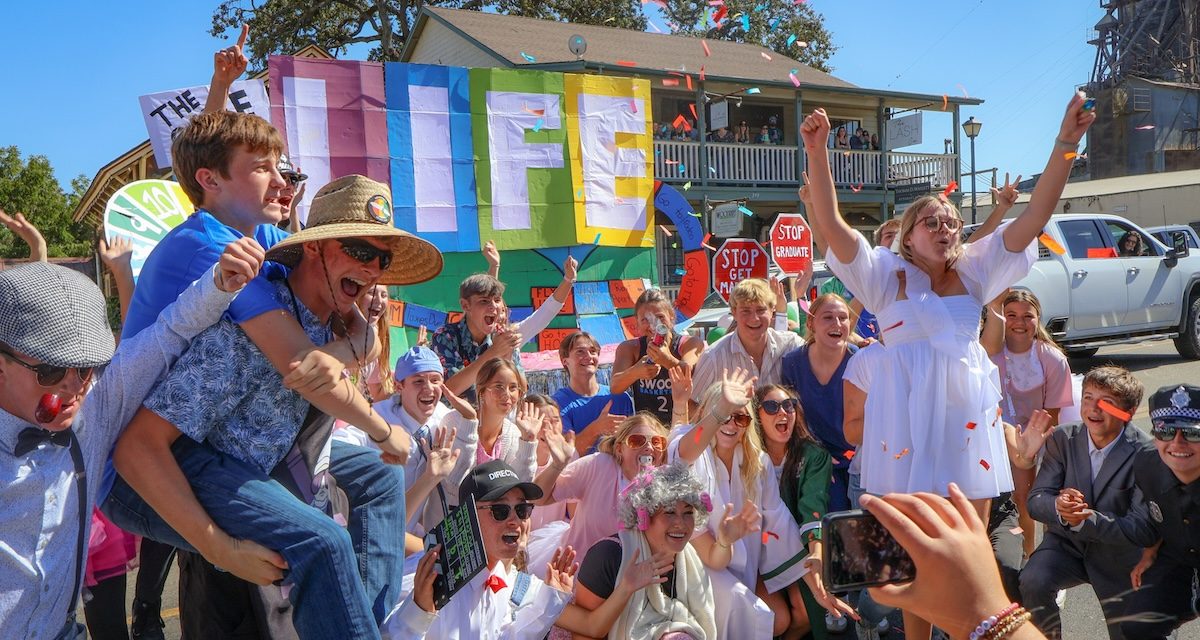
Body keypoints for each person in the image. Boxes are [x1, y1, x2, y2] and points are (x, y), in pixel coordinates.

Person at [799, 92, 1095, 639]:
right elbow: (836, 228)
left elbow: (1035, 216)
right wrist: (818, 154)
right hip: (905, 424)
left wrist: (1065, 144)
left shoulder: (979, 270)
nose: (944, 228)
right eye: (931, 221)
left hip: (965, 423)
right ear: (908, 234)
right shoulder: (885, 275)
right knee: (913, 551)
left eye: (952, 221)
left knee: (970, 546)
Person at [104, 176, 429, 639]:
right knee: (323, 541)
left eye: (384, 257)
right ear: (316, 248)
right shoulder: (246, 333)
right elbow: (137, 449)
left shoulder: (326, 318)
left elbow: (345, 354)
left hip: (264, 470)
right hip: (166, 475)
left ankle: (365, 626)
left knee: (382, 476)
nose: (375, 269)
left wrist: (354, 347)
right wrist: (220, 548)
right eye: (361, 250)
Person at [0, 243, 258, 639]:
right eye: (50, 371)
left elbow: (168, 332)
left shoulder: (96, 408)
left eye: (86, 367)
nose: (73, 386)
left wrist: (221, 283)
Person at [386, 460, 661, 639]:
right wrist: (419, 611)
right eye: (500, 509)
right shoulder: (430, 572)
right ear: (466, 517)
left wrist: (552, 599)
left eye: (522, 509)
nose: (515, 519)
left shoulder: (509, 581)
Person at [674, 369, 855, 638]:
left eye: (740, 417)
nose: (731, 423)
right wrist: (721, 407)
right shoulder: (695, 456)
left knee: (777, 620)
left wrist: (818, 589)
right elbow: (685, 452)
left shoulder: (757, 463)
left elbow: (780, 525)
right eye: (723, 414)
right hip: (700, 567)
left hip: (742, 564)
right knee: (749, 616)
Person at [1019, 365, 1151, 639]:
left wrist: (1085, 518)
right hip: (1065, 546)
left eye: (1107, 402)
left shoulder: (1146, 454)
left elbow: (1140, 526)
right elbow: (1036, 500)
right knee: (1033, 579)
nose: (1093, 408)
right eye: (1088, 397)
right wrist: (1059, 506)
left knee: (1130, 632)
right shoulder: (1062, 438)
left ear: (1126, 413)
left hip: (1120, 556)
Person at [1073, 383, 1200, 639]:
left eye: (1191, 432)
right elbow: (1158, 510)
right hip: (1178, 559)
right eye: (1165, 430)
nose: (1177, 442)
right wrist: (1149, 552)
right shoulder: (1147, 462)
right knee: (1138, 627)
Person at [861, 484, 1047, 640]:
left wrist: (985, 614)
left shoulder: (986, 448)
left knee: (1005, 571)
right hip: (936, 519)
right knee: (888, 590)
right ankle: (866, 619)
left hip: (991, 517)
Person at [574, 461, 719, 639]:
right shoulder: (608, 555)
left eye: (688, 513)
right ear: (643, 517)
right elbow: (582, 635)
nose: (680, 523)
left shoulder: (688, 559)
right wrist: (626, 587)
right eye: (669, 512)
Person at [983, 289, 1074, 558]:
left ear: (1038, 319)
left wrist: (1032, 449)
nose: (1019, 322)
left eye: (1027, 316)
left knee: (1041, 498)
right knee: (1019, 500)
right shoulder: (989, 354)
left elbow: (1052, 413)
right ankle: (1026, 555)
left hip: (1042, 435)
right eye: (1011, 315)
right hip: (1001, 435)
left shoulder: (1051, 358)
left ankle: (1047, 557)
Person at [529, 412, 671, 572]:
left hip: (632, 578)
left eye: (657, 442)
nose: (649, 447)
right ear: (619, 449)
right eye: (637, 441)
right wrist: (557, 465)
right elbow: (538, 498)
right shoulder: (598, 465)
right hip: (576, 570)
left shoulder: (665, 485)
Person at [432, 253, 575, 405]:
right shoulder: (446, 336)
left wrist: (507, 356)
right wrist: (493, 353)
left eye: (497, 301)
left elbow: (521, 389)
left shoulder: (504, 336)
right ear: (465, 306)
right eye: (484, 301)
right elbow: (448, 391)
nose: (493, 307)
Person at [755, 384, 840, 639]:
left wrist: (816, 551)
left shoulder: (813, 456)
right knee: (776, 620)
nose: (782, 412)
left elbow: (813, 506)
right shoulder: (746, 455)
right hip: (754, 549)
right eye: (771, 407)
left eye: (788, 405)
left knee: (804, 613)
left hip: (797, 547)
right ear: (755, 416)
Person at [781, 293, 858, 511]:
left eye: (843, 317)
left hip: (857, 462)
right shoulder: (792, 363)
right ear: (811, 323)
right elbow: (792, 420)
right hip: (812, 461)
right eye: (827, 317)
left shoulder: (860, 360)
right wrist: (817, 456)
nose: (837, 324)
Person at [690, 278, 802, 413]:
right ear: (734, 312)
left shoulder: (791, 346)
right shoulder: (714, 357)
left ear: (773, 310)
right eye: (746, 311)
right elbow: (693, 405)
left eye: (761, 310)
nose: (754, 318)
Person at [611, 288, 705, 426]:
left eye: (660, 317)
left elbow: (688, 372)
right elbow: (615, 386)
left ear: (671, 316)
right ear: (637, 323)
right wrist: (635, 372)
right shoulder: (630, 348)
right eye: (645, 320)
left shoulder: (689, 343)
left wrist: (666, 360)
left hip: (684, 425)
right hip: (648, 430)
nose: (653, 324)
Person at [553, 331, 635, 455]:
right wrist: (596, 429)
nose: (589, 356)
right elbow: (564, 454)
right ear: (565, 361)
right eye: (580, 351)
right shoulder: (556, 404)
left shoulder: (620, 397)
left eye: (593, 351)